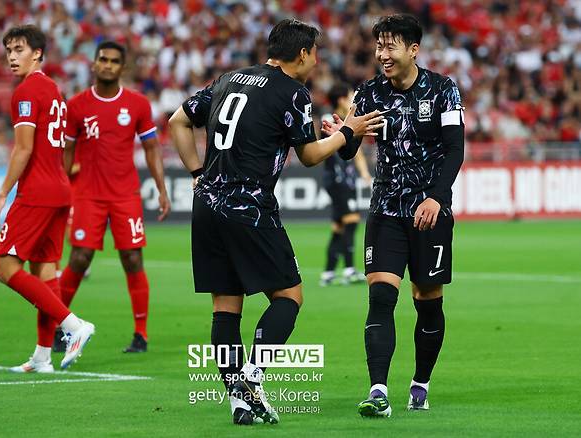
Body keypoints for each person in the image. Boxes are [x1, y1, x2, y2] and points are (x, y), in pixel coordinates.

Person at [169, 19, 384, 425]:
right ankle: (252, 376)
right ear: (302, 54)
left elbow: (177, 121)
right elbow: (309, 155)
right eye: (315, 53)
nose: (317, 61)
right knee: (289, 296)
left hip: (207, 205)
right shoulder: (292, 92)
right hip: (249, 207)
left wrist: (198, 174)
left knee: (225, 307)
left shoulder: (229, 79)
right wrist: (348, 132)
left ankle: (237, 400)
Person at [324, 14, 465, 417]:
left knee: (427, 299)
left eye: (390, 46)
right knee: (381, 295)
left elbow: (454, 149)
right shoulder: (369, 93)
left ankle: (420, 383)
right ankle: (378, 391)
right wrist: (339, 132)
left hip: (428, 213)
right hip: (385, 209)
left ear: (412, 50)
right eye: (379, 46)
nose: (382, 54)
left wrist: (437, 198)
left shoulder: (443, 90)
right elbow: (350, 150)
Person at [0, 24, 95, 373]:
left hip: (36, 191)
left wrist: (3, 194)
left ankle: (74, 326)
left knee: (6, 269)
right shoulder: (54, 90)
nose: (11, 57)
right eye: (8, 51)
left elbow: (23, 149)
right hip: (60, 190)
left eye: (18, 49)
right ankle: (42, 356)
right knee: (45, 272)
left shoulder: (25, 92)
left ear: (37, 53)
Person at [58, 41, 170, 354]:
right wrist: (64, 186)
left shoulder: (137, 104)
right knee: (79, 258)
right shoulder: (77, 105)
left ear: (122, 68)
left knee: (132, 258)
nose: (107, 65)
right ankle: (58, 324)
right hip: (88, 195)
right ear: (94, 64)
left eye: (114, 61)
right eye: (102, 59)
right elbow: (66, 150)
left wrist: (161, 189)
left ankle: (141, 334)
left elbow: (151, 149)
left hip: (125, 195)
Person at [319, 83, 373, 287]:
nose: (353, 100)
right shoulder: (328, 120)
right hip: (337, 180)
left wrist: (364, 173)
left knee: (339, 227)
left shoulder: (350, 123)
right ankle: (350, 270)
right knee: (351, 221)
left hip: (345, 180)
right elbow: (335, 145)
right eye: (350, 96)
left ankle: (328, 272)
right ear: (342, 100)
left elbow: (355, 151)